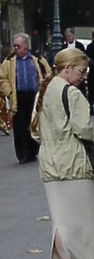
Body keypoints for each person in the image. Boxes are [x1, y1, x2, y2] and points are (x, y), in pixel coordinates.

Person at [29, 47, 94, 259]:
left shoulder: (43, 93)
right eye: (81, 70)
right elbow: (84, 130)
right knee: (87, 217)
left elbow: (35, 131)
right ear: (67, 69)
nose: (84, 75)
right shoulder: (73, 94)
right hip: (74, 160)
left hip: (49, 160)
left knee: (60, 219)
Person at [0, 33, 51, 163]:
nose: (16, 48)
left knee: (33, 124)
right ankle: (22, 154)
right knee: (20, 127)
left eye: (18, 46)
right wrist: (9, 92)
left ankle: (33, 151)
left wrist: (43, 89)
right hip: (18, 96)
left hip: (34, 96)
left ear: (26, 46)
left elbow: (48, 74)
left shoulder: (37, 59)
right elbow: (2, 78)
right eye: (14, 46)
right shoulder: (9, 61)